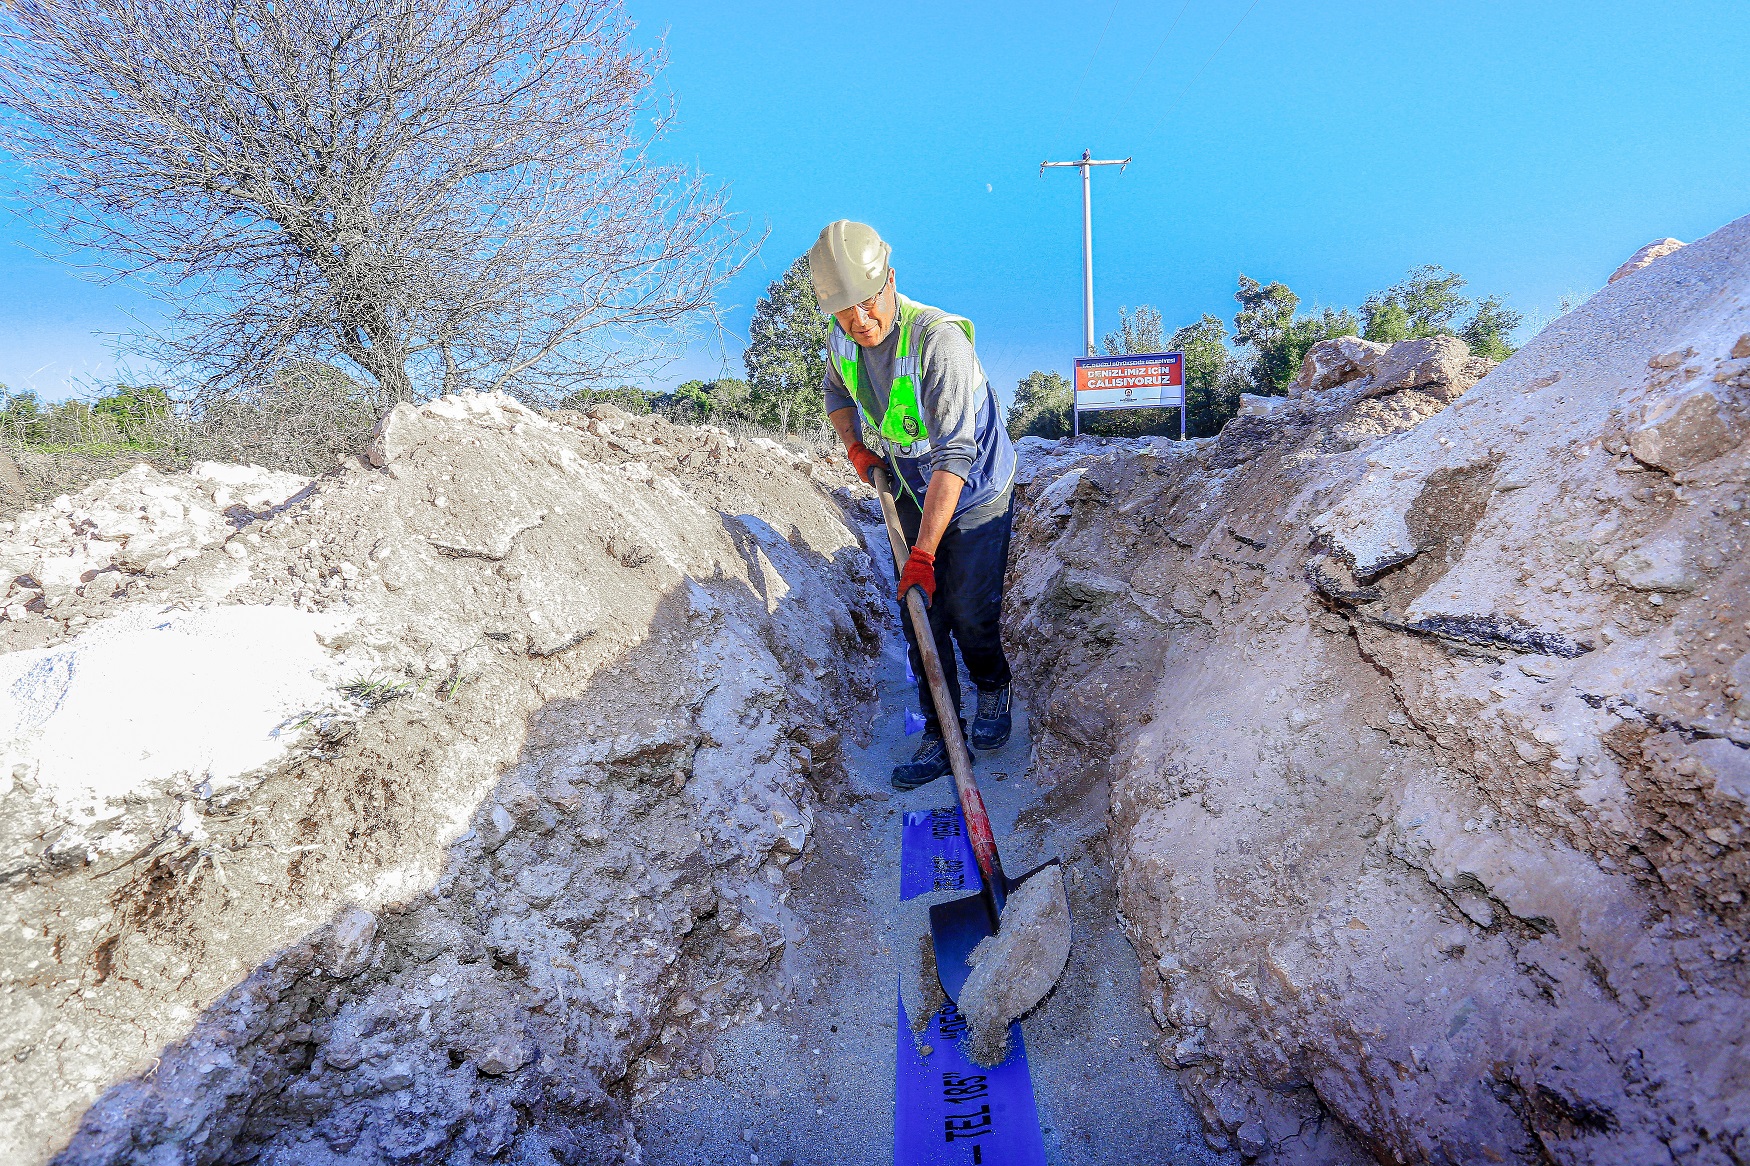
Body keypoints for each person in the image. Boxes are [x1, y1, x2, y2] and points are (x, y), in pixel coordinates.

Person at [806, 220, 1019, 791]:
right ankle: (938, 728)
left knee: (969, 610)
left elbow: (955, 456)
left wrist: (923, 552)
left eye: (869, 306)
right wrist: (856, 449)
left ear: (890, 282)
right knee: (920, 611)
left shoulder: (937, 344)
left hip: (972, 489)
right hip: (906, 485)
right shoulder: (841, 337)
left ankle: (993, 685)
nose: (861, 323)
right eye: (845, 313)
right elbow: (835, 394)